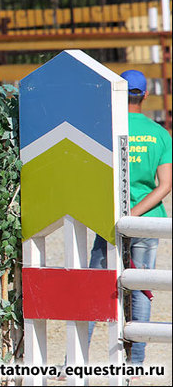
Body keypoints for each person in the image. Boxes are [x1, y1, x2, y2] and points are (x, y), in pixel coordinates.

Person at [88, 69, 172, 365]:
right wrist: (133, 214)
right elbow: (165, 185)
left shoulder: (105, 131)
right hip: (148, 220)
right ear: (146, 96)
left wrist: (118, 215)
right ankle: (137, 361)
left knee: (94, 287)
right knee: (141, 288)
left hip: (107, 218)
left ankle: (74, 359)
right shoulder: (161, 134)